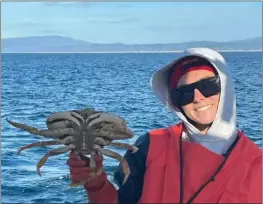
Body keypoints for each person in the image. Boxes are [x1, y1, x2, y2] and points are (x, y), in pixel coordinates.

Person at [67, 48, 262, 203]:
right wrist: (96, 184)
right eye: (184, 92)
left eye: (207, 86)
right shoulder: (149, 146)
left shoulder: (257, 163)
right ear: (176, 102)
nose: (197, 98)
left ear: (226, 87)